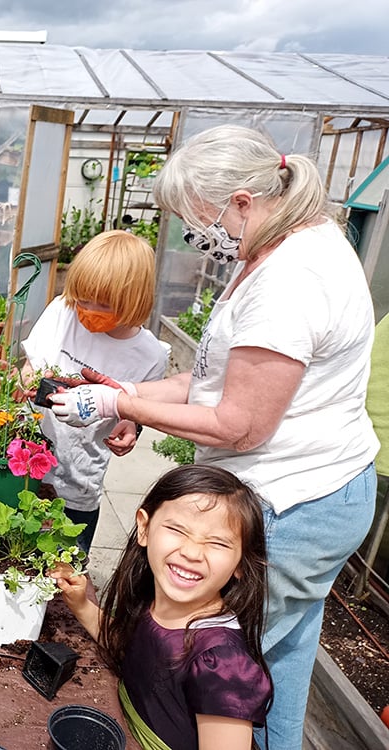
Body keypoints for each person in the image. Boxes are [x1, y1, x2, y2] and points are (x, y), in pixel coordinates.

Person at [49, 124, 379, 750]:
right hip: (319, 492)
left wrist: (116, 399)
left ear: (245, 203)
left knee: (216, 676)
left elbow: (240, 422)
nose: (206, 241)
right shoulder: (282, 248)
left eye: (205, 224)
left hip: (288, 505)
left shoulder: (292, 280)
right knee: (273, 672)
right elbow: (212, 383)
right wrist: (140, 405)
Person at [55, 464, 273, 750]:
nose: (192, 552)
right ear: (144, 528)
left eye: (217, 543)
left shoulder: (222, 664)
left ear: (242, 564)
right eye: (177, 530)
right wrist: (82, 605)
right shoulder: (154, 600)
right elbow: (133, 650)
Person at [21, 229, 166, 551]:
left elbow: (134, 417)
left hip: (80, 478)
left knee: (67, 566)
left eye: (102, 304)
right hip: (27, 462)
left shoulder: (150, 356)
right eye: (82, 298)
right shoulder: (63, 312)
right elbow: (29, 368)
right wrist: (30, 379)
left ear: (134, 301)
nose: (86, 309)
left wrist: (130, 430)